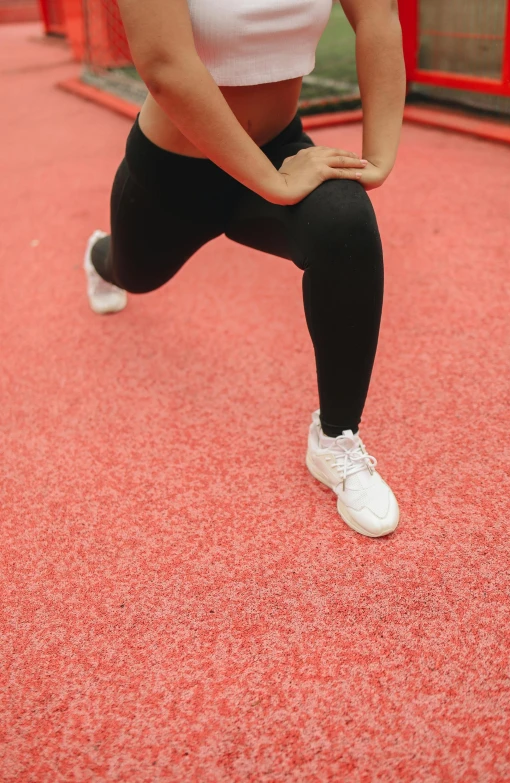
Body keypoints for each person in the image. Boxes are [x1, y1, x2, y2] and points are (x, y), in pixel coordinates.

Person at [83, 0, 406, 537]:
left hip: (280, 152)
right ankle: (100, 256)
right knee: (133, 272)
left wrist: (380, 159)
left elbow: (377, 18)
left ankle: (336, 439)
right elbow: (164, 65)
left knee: (345, 223)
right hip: (174, 173)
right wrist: (272, 183)